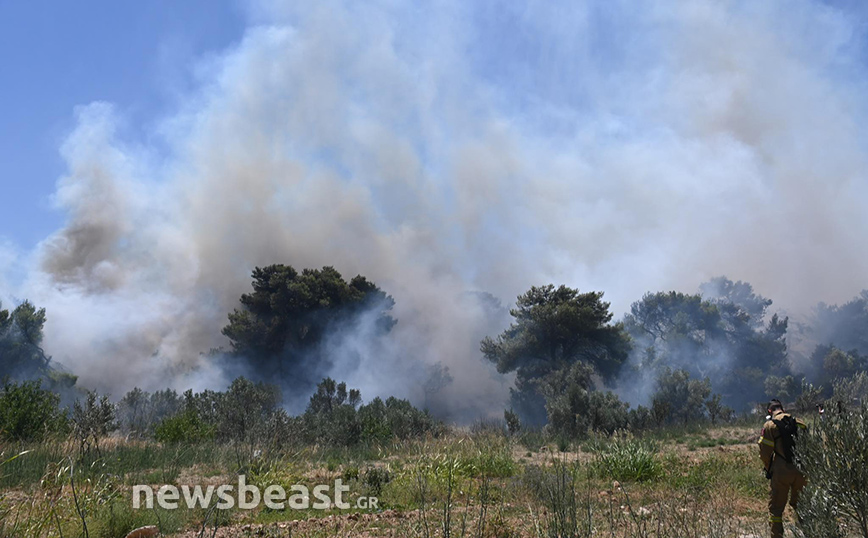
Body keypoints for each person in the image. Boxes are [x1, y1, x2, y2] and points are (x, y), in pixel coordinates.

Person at [758, 399, 807, 538]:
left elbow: (764, 453)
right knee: (803, 505)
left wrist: (769, 469)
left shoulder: (769, 426)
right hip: (801, 470)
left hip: (781, 471)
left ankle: (777, 535)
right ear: (782, 409)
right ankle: (810, 532)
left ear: (769, 411)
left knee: (776, 510)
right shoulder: (800, 423)